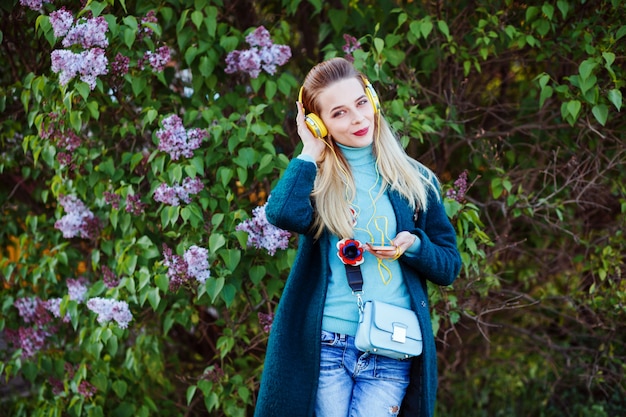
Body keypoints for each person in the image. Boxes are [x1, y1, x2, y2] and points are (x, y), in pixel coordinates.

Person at [254, 57, 461, 417]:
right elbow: (282, 213)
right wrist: (308, 151)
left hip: (392, 346)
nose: (358, 119)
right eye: (338, 113)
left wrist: (414, 246)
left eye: (361, 103)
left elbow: (448, 266)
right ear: (319, 125)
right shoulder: (316, 181)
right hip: (327, 346)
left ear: (374, 100)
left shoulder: (416, 181)